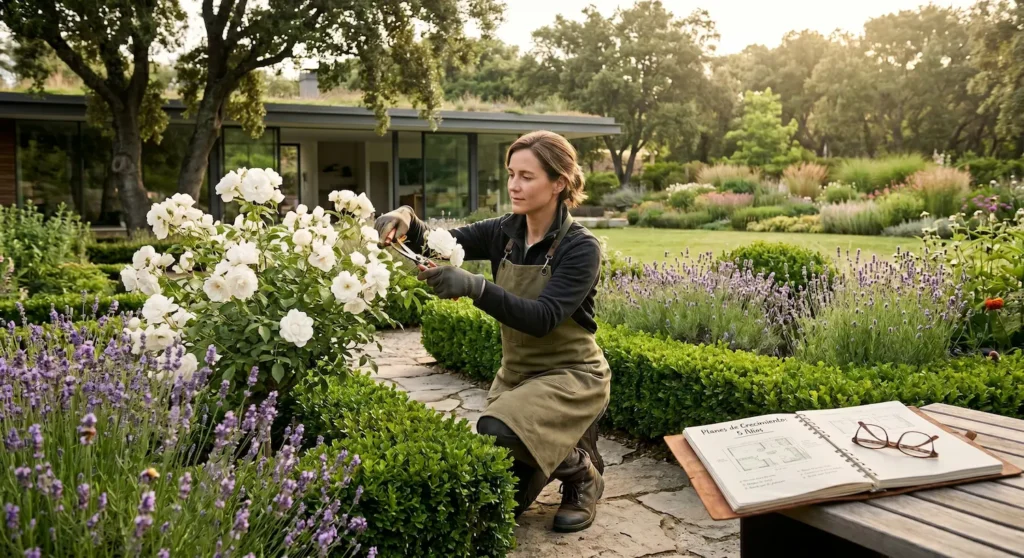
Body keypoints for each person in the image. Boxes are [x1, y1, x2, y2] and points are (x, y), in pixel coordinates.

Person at [374, 130, 610, 532]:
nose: (514, 186)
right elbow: (436, 241)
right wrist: (404, 217)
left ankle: (582, 474)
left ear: (559, 183)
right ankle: (556, 454)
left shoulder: (581, 247)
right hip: (518, 376)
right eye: (511, 174)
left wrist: (475, 287)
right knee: (497, 508)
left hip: (571, 375)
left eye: (527, 176)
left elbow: (543, 318)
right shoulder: (504, 231)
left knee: (497, 427)